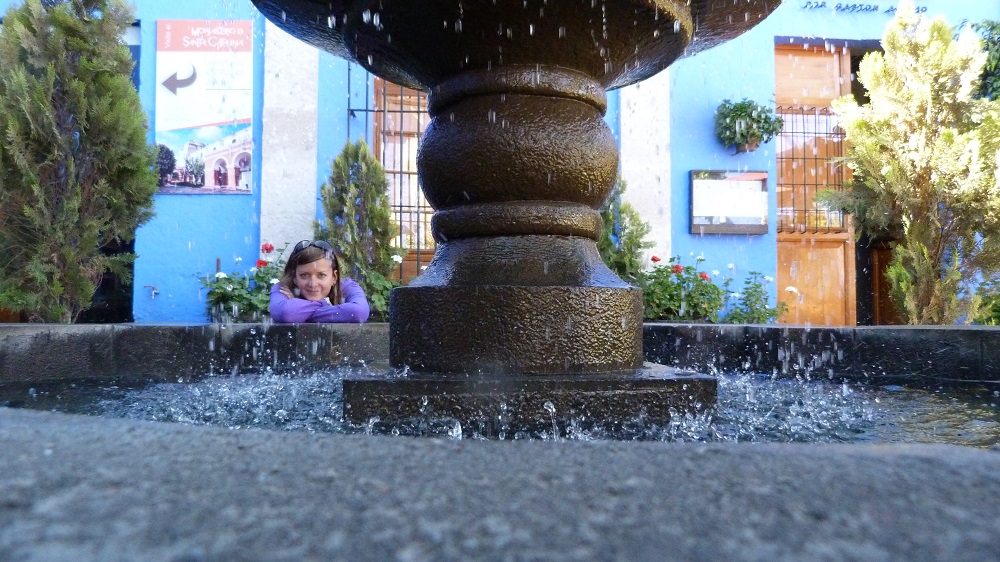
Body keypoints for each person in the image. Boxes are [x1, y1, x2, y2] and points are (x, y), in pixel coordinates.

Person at [269, 240, 370, 323]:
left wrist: (299, 310)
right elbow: (286, 314)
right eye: (304, 275)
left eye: (321, 275)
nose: (313, 284)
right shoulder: (283, 288)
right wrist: (325, 304)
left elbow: (358, 313)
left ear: (334, 277)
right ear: (294, 277)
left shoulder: (347, 287)